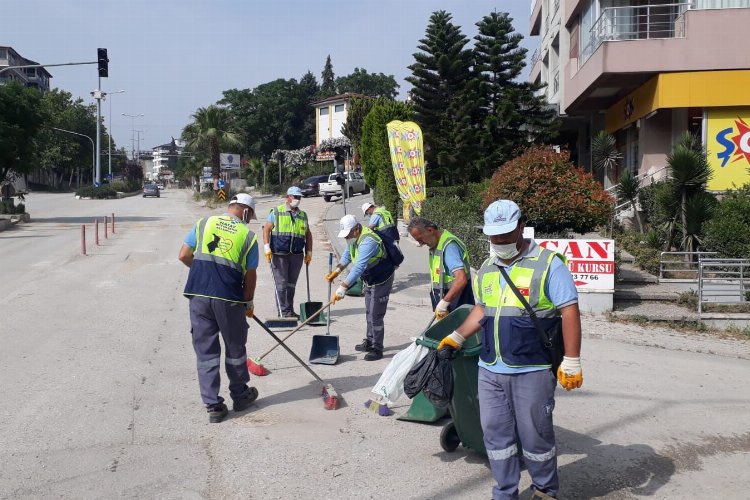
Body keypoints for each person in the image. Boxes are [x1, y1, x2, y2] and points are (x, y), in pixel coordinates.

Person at [437, 200, 583, 500]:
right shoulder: (488, 268)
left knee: (535, 437)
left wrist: (572, 360)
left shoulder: (548, 263)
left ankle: (544, 489)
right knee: (495, 436)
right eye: (494, 235)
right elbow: (481, 310)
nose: (500, 241)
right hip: (490, 369)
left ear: (520, 226)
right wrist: (457, 336)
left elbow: (569, 311)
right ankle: (504, 491)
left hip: (532, 368)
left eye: (506, 233)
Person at [178, 193, 260, 423]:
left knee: (206, 353)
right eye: (250, 216)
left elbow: (184, 255)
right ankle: (240, 394)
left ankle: (213, 405)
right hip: (229, 299)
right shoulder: (248, 237)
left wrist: (203, 272)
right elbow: (250, 276)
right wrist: (248, 301)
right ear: (245, 211)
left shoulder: (204, 223)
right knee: (235, 348)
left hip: (199, 296)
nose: (250, 220)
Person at [325, 214, 396, 361]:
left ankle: (377, 348)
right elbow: (347, 256)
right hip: (370, 278)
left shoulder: (368, 240)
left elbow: (358, 267)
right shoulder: (354, 238)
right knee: (369, 312)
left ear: (356, 229)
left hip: (381, 277)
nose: (346, 238)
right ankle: (370, 341)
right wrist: (336, 272)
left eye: (348, 234)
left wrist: (343, 287)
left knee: (376, 315)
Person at [406, 217, 474, 320]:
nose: (421, 243)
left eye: (421, 239)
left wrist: (444, 302)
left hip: (457, 303)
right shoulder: (437, 245)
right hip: (448, 302)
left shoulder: (449, 246)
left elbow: (461, 279)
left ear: (430, 230)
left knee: (457, 334)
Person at [263, 186, 313, 318]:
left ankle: (289, 310)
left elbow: (308, 235)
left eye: (299, 197)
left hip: (296, 255)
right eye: (295, 197)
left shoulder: (303, 215)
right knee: (281, 284)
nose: (298, 199)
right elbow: (266, 229)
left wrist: (309, 252)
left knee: (291, 285)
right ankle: (283, 311)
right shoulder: (276, 212)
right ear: (288, 197)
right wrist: (266, 246)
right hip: (279, 254)